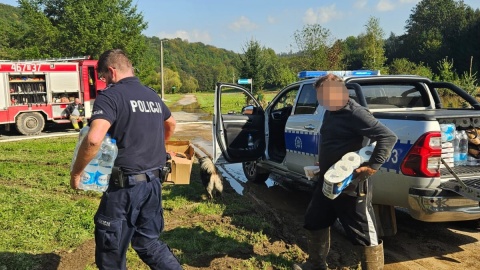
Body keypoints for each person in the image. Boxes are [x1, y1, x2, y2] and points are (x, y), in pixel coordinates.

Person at [70, 49, 180, 270]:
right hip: (153, 184)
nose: (103, 82)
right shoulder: (151, 95)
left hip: (125, 190)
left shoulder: (111, 96)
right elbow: (171, 124)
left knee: (111, 253)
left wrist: (76, 173)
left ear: (111, 71)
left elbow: (93, 139)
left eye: (102, 77)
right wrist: (159, 146)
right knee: (148, 242)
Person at [293, 74, 397, 270]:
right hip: (327, 181)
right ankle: (316, 264)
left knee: (364, 234)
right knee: (314, 220)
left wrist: (373, 166)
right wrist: (323, 163)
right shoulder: (330, 111)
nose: (321, 101)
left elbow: (388, 137)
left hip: (351, 185)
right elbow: (333, 141)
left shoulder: (356, 113)